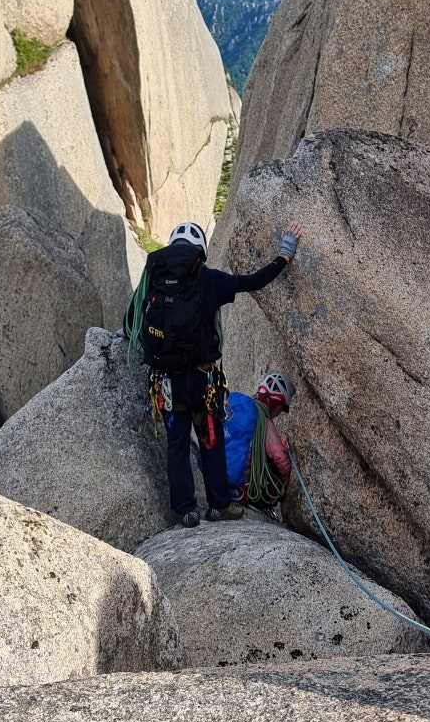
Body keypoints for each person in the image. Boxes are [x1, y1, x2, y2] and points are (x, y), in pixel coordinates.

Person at [125, 220, 302, 527]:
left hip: (166, 380)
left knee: (177, 444)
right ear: (201, 251)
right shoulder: (210, 280)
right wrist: (284, 254)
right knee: (210, 440)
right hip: (202, 382)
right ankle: (219, 504)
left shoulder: (153, 275)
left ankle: (185, 510)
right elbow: (255, 281)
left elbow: (135, 320)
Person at [223, 373, 294, 514]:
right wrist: (283, 488)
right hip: (242, 488)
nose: (279, 413)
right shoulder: (263, 420)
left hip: (218, 478)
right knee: (272, 464)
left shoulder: (238, 408)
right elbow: (281, 459)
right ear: (275, 401)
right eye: (280, 408)